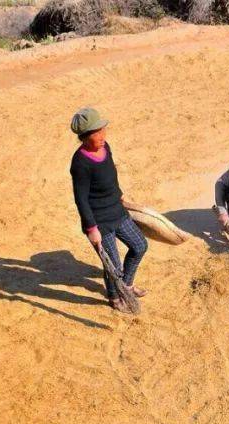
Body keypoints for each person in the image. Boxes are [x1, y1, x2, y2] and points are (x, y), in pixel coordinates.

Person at [70, 106, 148, 313]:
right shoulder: (80, 163)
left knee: (139, 246)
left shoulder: (107, 147)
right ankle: (114, 297)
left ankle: (127, 285)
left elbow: (111, 174)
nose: (103, 136)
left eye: (103, 130)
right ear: (85, 137)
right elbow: (81, 199)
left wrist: (120, 194)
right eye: (97, 133)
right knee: (112, 265)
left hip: (117, 211)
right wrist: (91, 228)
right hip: (99, 221)